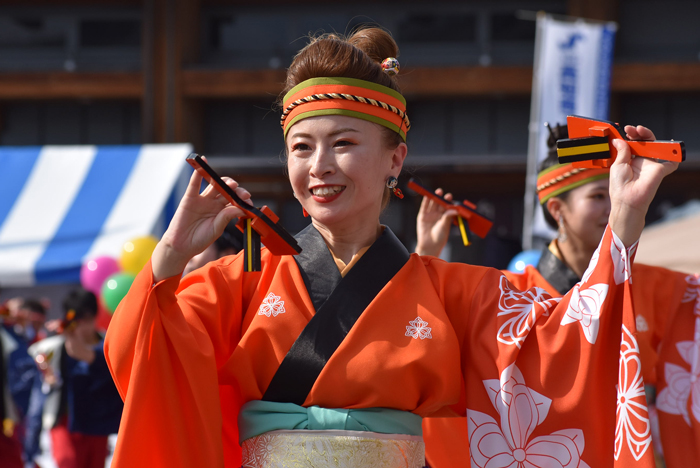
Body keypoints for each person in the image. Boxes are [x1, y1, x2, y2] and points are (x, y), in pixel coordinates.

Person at [104, 28, 677, 468]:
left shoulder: (451, 290)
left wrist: (624, 217)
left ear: (395, 159)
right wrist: (174, 251)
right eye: (301, 147)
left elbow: (563, 349)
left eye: (344, 144)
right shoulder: (239, 281)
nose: (320, 166)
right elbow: (139, 358)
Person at [416, 124, 690, 467]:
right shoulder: (505, 296)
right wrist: (426, 252)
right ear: (558, 210)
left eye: (615, 192)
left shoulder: (658, 289)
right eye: (598, 196)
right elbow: (433, 360)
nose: (612, 203)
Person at [27, 288, 123, 468]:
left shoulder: (108, 344)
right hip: (65, 421)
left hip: (97, 425)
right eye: (77, 320)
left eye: (86, 320)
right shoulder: (55, 347)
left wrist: (71, 335)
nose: (82, 326)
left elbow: (83, 354)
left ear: (94, 316)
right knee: (67, 463)